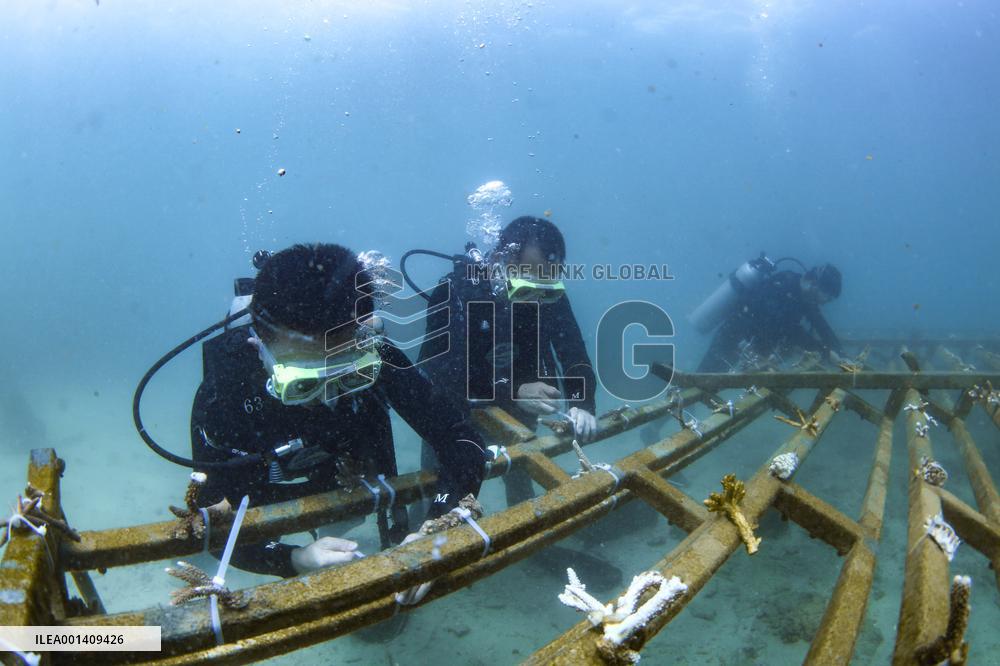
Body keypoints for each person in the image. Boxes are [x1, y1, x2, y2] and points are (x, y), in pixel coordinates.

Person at [190, 243, 488, 577]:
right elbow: (212, 519)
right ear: (257, 344)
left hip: (347, 475)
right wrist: (293, 558)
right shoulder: (226, 390)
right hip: (268, 487)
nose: (324, 398)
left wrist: (440, 522)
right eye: (304, 383)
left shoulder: (377, 353)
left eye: (350, 377)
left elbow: (461, 437)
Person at [416, 216, 597, 505]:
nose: (538, 296)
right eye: (529, 279)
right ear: (502, 259)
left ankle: (524, 524)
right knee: (437, 490)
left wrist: (581, 402)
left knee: (520, 477)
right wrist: (512, 389)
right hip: (455, 415)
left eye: (547, 281)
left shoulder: (550, 296)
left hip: (520, 411)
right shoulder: (454, 293)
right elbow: (436, 371)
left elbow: (573, 353)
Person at [696, 261, 844, 372]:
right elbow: (791, 331)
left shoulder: (805, 297)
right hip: (733, 335)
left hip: (752, 345)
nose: (826, 302)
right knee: (705, 378)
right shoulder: (783, 286)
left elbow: (821, 325)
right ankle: (678, 400)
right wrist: (825, 351)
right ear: (814, 285)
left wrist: (839, 352)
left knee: (713, 380)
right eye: (827, 296)